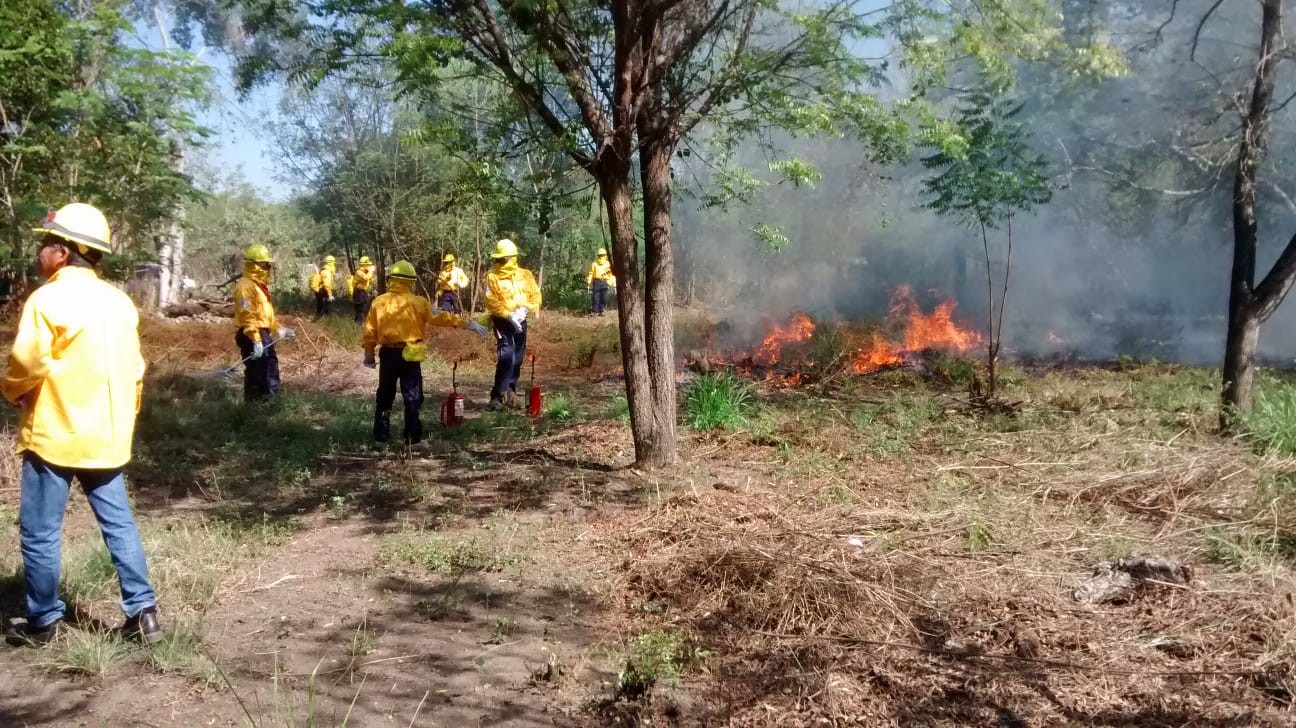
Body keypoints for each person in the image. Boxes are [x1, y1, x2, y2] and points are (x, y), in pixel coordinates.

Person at [1, 203, 162, 647]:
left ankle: (43, 622)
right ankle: (144, 614)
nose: (40, 251)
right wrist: (123, 420)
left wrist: (12, 390)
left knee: (40, 532)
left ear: (64, 251)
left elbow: (27, 364)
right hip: (105, 437)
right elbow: (135, 369)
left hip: (54, 435)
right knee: (119, 525)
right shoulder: (119, 302)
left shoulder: (47, 299)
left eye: (46, 243)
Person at [363, 260, 488, 443]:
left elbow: (370, 332)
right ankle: (412, 436)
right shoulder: (419, 303)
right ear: (411, 281)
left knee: (385, 394)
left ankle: (381, 434)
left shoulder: (378, 302)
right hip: (411, 354)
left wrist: (369, 355)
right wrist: (468, 324)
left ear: (391, 279)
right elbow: (442, 317)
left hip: (388, 354)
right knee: (413, 395)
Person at [482, 239, 542, 410]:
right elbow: (491, 301)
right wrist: (508, 315)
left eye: (504, 258)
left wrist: (525, 310)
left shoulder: (525, 275)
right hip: (502, 321)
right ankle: (497, 397)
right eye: (499, 258)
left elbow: (535, 296)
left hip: (521, 320)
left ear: (512, 257)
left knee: (518, 358)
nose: (501, 261)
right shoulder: (492, 277)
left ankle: (510, 394)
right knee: (507, 356)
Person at [233, 243, 294, 402]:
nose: (268, 268)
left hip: (262, 334)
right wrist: (256, 340)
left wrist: (279, 328)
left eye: (268, 264)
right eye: (265, 264)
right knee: (259, 372)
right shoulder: (245, 287)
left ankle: (267, 403)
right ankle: (258, 405)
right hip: (251, 334)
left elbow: (265, 315)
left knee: (269, 367)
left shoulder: (258, 286)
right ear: (254, 265)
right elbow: (247, 316)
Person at [586, 248, 616, 316]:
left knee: (604, 297)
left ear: (605, 255)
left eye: (602, 255)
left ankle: (602, 310)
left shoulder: (608, 264)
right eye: (600, 255)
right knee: (595, 297)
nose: (601, 257)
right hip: (596, 281)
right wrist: (589, 280)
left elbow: (610, 273)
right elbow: (591, 273)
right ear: (598, 256)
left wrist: (611, 281)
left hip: (605, 282)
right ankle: (594, 311)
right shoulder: (594, 264)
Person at [348, 255, 376, 323]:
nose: (369, 266)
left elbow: (371, 282)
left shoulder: (366, 272)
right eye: (368, 265)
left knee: (362, 307)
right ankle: (359, 323)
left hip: (362, 292)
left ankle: (357, 323)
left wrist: (372, 277)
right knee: (360, 308)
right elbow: (365, 278)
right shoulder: (359, 272)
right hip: (358, 292)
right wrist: (371, 271)